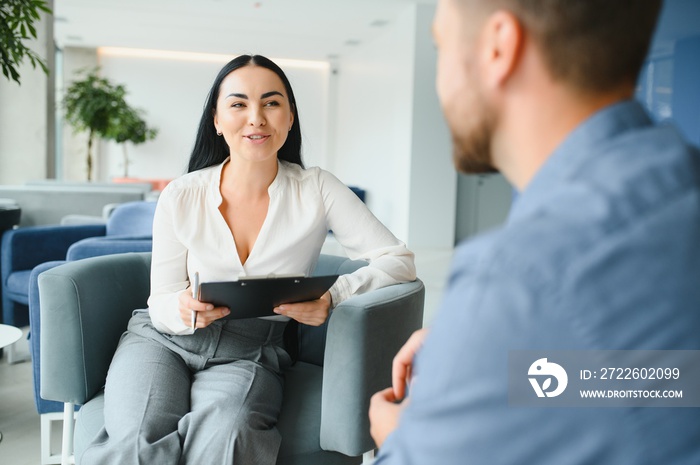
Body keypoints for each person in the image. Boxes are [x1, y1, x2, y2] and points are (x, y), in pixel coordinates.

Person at [369, 0, 700, 463]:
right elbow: (673, 382)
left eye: (440, 45)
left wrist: (396, 438)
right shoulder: (679, 191)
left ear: (499, 48)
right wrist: (488, 358)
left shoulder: (518, 275)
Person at [80, 54, 416, 465]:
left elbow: (397, 260)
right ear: (217, 120)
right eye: (238, 104)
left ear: (290, 118)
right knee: (135, 442)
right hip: (161, 340)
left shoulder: (317, 189)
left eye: (271, 103)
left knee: (227, 435)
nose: (256, 117)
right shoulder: (181, 194)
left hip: (251, 351)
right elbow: (162, 298)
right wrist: (183, 308)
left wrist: (335, 296)